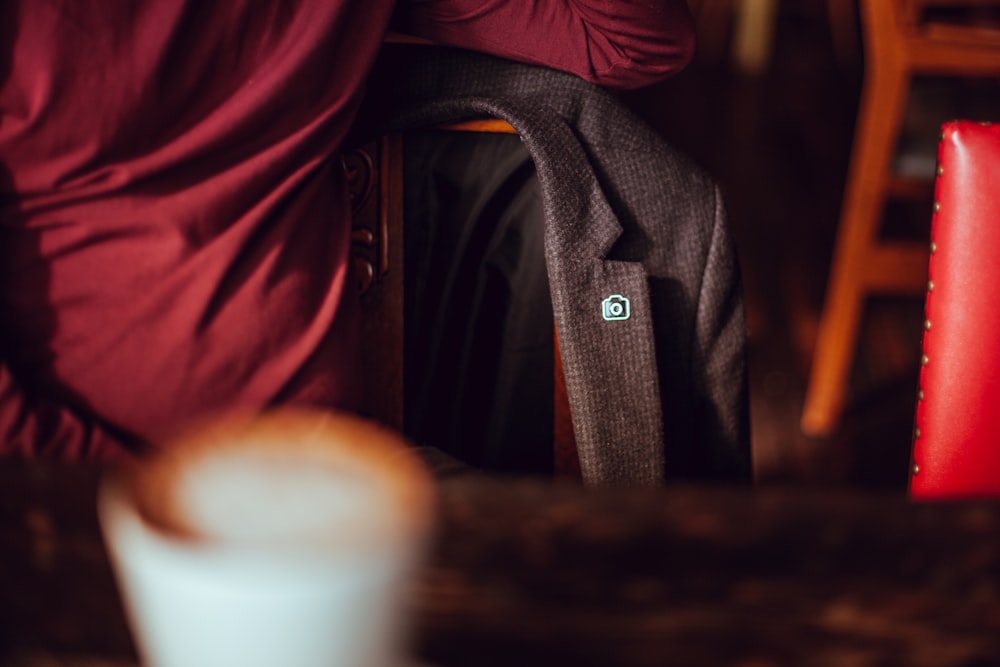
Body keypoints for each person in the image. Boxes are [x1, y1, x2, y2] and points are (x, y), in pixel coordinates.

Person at [2, 1, 744, 481]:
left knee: (606, 605)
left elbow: (634, 37)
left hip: (331, 488)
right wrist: (120, 512)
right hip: (73, 503)